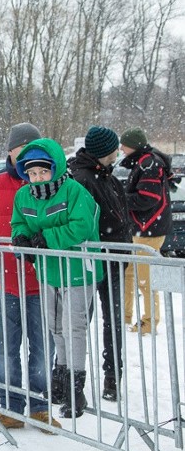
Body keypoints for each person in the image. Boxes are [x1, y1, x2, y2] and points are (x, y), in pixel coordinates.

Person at [0, 122, 60, 431]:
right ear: (10, 152)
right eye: (23, 150)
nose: (29, 156)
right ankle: (11, 406)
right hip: (1, 284)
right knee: (6, 348)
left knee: (44, 348)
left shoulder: (57, 184)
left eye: (35, 149)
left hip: (43, 283)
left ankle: (40, 406)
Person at [12, 138, 103, 419]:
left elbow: (82, 225)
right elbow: (19, 222)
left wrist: (47, 238)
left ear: (55, 168)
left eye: (43, 172)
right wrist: (22, 239)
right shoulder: (24, 196)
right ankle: (61, 377)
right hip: (48, 270)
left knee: (74, 326)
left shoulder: (73, 190)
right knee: (55, 327)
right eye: (32, 173)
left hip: (76, 269)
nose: (37, 178)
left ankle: (77, 385)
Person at [69, 126, 131, 401]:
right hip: (92, 262)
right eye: (115, 148)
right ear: (106, 151)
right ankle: (72, 377)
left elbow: (120, 214)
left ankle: (111, 378)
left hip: (114, 261)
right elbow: (85, 221)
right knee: (80, 322)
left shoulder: (108, 177)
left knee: (113, 322)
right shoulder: (82, 178)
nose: (118, 152)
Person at [120, 127, 174, 335]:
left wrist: (121, 200)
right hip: (142, 227)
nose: (122, 149)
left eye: (124, 145)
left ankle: (150, 321)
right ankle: (124, 315)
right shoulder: (144, 162)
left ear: (133, 145)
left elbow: (148, 198)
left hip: (149, 228)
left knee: (144, 277)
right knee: (130, 272)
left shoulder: (150, 163)